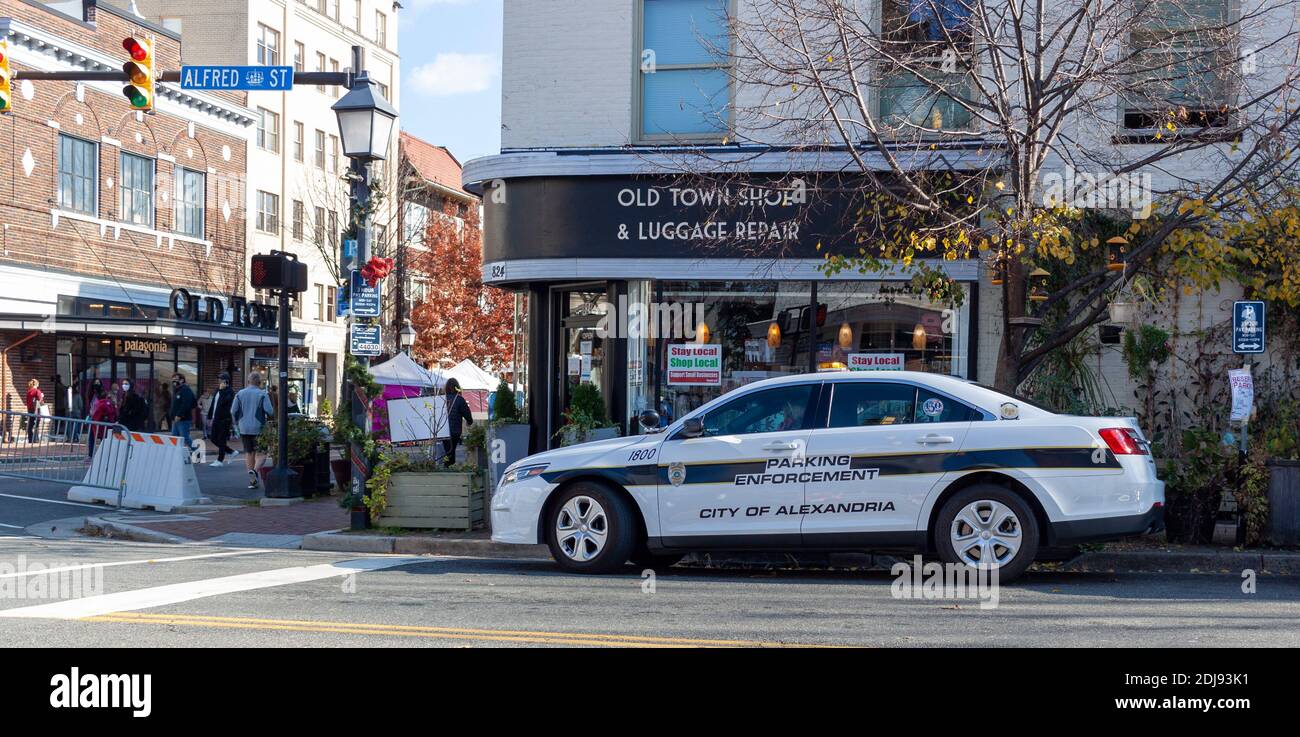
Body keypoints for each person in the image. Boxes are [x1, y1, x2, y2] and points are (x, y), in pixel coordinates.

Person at [232, 372, 274, 489]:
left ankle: (252, 480)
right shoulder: (262, 394)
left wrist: (236, 423)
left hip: (244, 427)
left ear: (248, 381)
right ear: (259, 382)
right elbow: (270, 411)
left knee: (249, 453)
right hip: (259, 427)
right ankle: (255, 471)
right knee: (262, 454)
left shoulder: (240, 394)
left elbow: (233, 410)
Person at [207, 372, 237, 467]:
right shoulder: (218, 390)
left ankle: (220, 460)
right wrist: (210, 416)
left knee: (221, 439)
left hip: (224, 419)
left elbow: (224, 402)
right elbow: (214, 404)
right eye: (219, 379)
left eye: (221, 379)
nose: (219, 380)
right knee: (213, 439)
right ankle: (231, 451)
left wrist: (222, 391)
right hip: (216, 418)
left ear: (226, 380)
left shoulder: (230, 391)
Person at [442, 378, 474, 467]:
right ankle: (449, 467)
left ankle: (448, 466)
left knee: (448, 450)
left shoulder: (442, 398)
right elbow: (467, 413)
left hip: (443, 430)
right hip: (455, 430)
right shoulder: (459, 399)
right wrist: (469, 422)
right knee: (451, 450)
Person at [87, 388, 116, 458]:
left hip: (99, 425)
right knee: (104, 440)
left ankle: (91, 454)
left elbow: (95, 416)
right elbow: (114, 413)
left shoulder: (100, 404)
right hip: (106, 426)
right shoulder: (108, 403)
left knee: (92, 438)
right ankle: (104, 454)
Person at [169, 374, 197, 441]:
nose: (174, 381)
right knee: (174, 438)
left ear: (182, 380)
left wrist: (179, 415)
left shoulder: (185, 390)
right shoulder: (177, 390)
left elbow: (186, 404)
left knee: (185, 438)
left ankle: (196, 450)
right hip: (175, 419)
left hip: (183, 419)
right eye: (173, 379)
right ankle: (177, 451)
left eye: (176, 379)